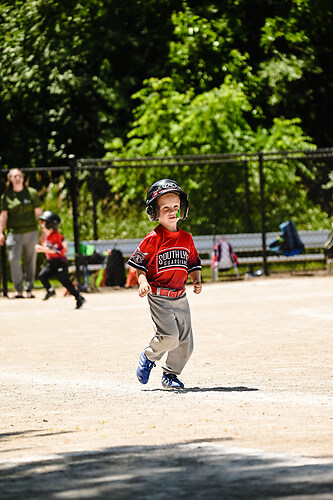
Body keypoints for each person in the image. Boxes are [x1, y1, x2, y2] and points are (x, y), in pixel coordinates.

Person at [127, 179, 202, 389]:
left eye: (176, 208)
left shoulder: (186, 239)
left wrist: (196, 280)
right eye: (166, 208)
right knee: (169, 337)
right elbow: (138, 265)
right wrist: (142, 282)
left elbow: (193, 262)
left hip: (181, 296)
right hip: (159, 296)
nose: (172, 212)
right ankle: (149, 356)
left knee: (186, 343)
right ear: (154, 212)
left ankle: (170, 375)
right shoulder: (153, 238)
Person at [0, 168, 43, 298]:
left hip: (31, 232)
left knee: (30, 261)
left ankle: (29, 288)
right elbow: (3, 216)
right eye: (14, 176)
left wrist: (44, 231)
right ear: (10, 179)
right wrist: (0, 232)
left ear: (23, 178)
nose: (17, 178)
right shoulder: (6, 196)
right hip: (14, 234)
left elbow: (39, 213)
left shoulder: (31, 193)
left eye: (19, 175)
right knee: (14, 260)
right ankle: (18, 290)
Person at [35, 211, 85, 309]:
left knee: (65, 282)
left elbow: (57, 251)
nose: (41, 225)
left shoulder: (57, 236)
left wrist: (42, 249)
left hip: (60, 263)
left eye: (44, 223)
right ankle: (50, 290)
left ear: (50, 224)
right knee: (42, 276)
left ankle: (78, 297)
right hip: (51, 263)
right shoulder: (48, 236)